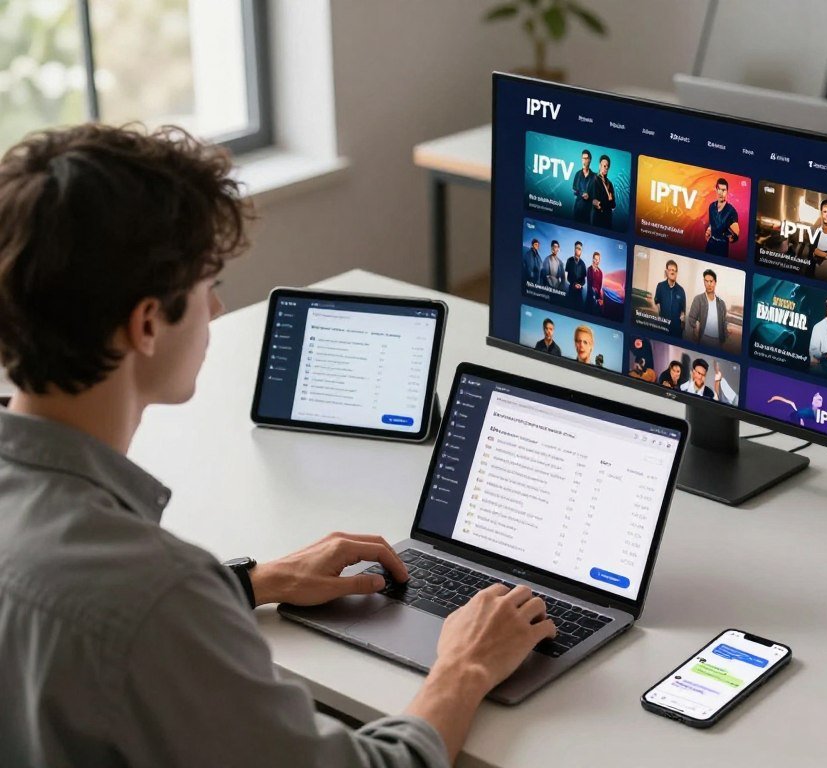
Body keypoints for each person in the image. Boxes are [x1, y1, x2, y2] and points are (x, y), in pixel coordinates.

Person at [0, 124, 557, 767]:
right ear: (147, 323)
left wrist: (252, 582)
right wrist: (464, 666)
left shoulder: (139, 588)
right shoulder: (153, 596)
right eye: (207, 283)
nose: (214, 309)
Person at [685, 269, 728, 348]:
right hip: (703, 339)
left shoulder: (721, 303)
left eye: (711, 281)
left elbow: (724, 321)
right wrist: (696, 325)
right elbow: (691, 318)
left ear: (715, 282)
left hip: (718, 341)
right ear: (704, 282)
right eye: (706, 281)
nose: (709, 284)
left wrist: (725, 334)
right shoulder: (698, 299)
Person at [704, 178, 739, 257]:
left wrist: (731, 235)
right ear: (716, 190)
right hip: (710, 244)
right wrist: (709, 230)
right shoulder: (711, 206)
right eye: (719, 189)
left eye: (723, 190)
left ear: (727, 192)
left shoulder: (731, 211)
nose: (721, 193)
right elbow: (711, 223)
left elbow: (736, 234)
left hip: (722, 247)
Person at [808, 199, 827, 282]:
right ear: (821, 213)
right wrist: (826, 255)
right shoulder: (815, 230)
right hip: (812, 274)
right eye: (825, 212)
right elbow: (812, 250)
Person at [653, 260, 685, 337]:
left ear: (676, 273)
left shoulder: (681, 290)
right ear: (666, 272)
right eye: (670, 270)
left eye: (674, 270)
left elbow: (683, 312)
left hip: (676, 331)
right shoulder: (660, 286)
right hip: (662, 328)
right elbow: (656, 303)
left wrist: (681, 326)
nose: (672, 272)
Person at [590, 154, 616, 228]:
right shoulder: (594, 180)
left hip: (608, 220)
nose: (606, 168)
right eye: (604, 166)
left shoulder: (610, 184)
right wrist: (606, 202)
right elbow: (592, 200)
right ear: (600, 166)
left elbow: (613, 206)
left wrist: (610, 200)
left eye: (608, 166)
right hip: (597, 219)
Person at [572, 149, 595, 223]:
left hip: (589, 212)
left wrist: (589, 197)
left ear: (590, 160)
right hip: (577, 210)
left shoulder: (595, 177)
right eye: (583, 158)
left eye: (586, 158)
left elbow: (597, 194)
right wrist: (580, 194)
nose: (584, 160)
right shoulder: (577, 174)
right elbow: (574, 190)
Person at [565, 241, 587, 309]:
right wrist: (573, 284)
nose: (578, 250)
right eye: (577, 248)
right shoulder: (569, 260)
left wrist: (580, 285)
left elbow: (584, 280)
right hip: (571, 290)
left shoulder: (583, 264)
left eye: (580, 249)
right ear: (574, 249)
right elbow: (566, 277)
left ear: (581, 251)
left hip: (579, 292)